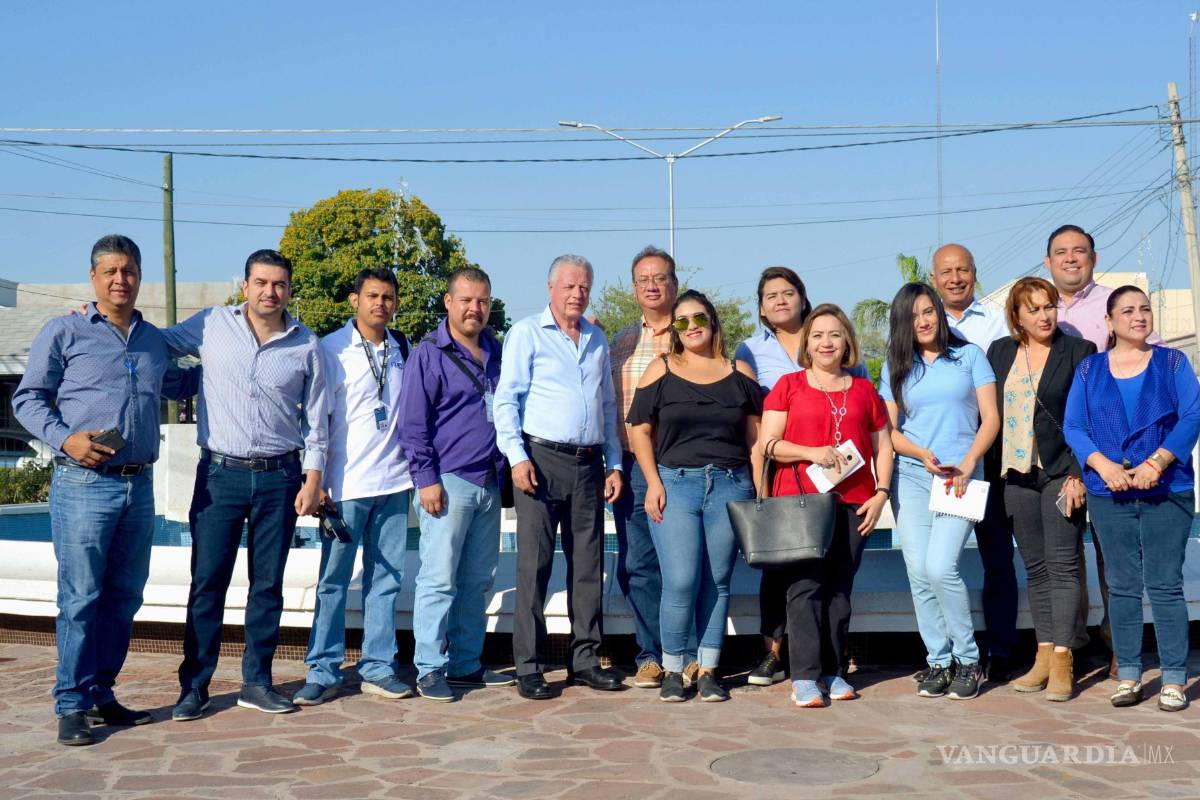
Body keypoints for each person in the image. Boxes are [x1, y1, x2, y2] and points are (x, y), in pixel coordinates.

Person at [13, 235, 198, 746]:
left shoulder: (153, 340)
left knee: (123, 597)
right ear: (94, 277)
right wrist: (64, 439)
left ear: (140, 278)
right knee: (81, 597)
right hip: (83, 484)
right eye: (111, 271)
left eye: (130, 271)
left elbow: (182, 386)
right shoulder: (65, 331)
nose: (121, 279)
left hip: (138, 486)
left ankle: (100, 692)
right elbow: (28, 400)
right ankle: (70, 702)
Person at [166, 249, 328, 721]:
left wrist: (313, 479)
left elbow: (318, 422)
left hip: (280, 476)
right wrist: (104, 321)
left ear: (289, 290)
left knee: (268, 586)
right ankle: (193, 687)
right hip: (220, 475)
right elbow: (153, 345)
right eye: (261, 282)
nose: (269, 292)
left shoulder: (306, 344)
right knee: (207, 583)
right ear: (245, 286)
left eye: (279, 284)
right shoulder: (210, 325)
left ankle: (257, 682)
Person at [494, 254, 625, 700]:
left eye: (585, 286)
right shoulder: (526, 333)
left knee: (588, 566)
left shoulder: (596, 338)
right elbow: (506, 400)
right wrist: (516, 457)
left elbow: (607, 406)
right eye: (569, 285)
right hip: (538, 460)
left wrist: (615, 463)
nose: (577, 293)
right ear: (550, 288)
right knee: (533, 566)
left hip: (588, 463)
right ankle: (528, 666)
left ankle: (585, 660)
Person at [1064, 285, 1199, 713]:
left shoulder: (1173, 362)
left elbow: (1192, 415)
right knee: (1121, 588)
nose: (1138, 316)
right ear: (1109, 322)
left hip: (1167, 488)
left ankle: (1174, 677)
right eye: (1127, 310)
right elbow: (1075, 426)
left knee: (1165, 585)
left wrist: (1157, 462)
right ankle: (1129, 675)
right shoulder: (1089, 370)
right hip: (1110, 492)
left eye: (1144, 309)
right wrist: (1102, 466)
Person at [735, 266, 867, 687]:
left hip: (845, 486)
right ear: (760, 307)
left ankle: (832, 664)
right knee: (788, 577)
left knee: (833, 585)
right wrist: (763, 480)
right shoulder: (753, 353)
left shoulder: (848, 363)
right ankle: (780, 658)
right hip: (788, 483)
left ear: (802, 298)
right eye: (770, 295)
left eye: (788, 292)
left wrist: (880, 488)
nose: (780, 300)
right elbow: (758, 427)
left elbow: (870, 428)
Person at [628, 290, 763, 702]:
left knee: (718, 583)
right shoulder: (660, 369)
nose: (691, 327)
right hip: (676, 484)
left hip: (730, 485)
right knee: (681, 580)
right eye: (682, 321)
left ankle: (708, 670)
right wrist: (653, 481)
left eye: (698, 318)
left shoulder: (739, 370)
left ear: (713, 321)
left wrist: (761, 491)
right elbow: (639, 430)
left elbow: (755, 438)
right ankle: (673, 669)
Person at [1042, 223, 1162, 677]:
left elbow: (1153, 363)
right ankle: (1067, 649)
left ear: (1094, 257)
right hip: (1062, 452)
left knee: (1115, 557)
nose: (1071, 258)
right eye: (1061, 252)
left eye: (1080, 251)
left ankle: (1119, 644)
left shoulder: (1116, 304)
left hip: (1118, 455)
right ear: (1048, 261)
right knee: (1064, 556)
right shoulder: (1040, 305)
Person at [758, 304, 893, 707]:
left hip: (854, 504)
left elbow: (882, 446)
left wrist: (881, 492)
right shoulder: (789, 385)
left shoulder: (865, 391)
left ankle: (834, 672)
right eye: (817, 335)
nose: (826, 342)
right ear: (807, 343)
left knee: (839, 591)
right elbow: (767, 444)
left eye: (834, 334)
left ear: (847, 341)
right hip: (800, 504)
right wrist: (811, 452)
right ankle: (804, 677)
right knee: (804, 589)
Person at [291, 269, 414, 707]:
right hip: (344, 488)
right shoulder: (331, 349)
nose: (380, 303)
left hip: (395, 484)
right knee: (333, 582)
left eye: (388, 297)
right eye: (372, 296)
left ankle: (378, 667)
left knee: (387, 579)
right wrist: (316, 480)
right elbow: (315, 420)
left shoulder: (402, 348)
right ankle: (322, 670)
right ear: (354, 300)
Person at [399, 266, 515, 702]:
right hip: (447, 482)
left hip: (488, 481)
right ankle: (429, 667)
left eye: (482, 300)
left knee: (477, 580)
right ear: (449, 302)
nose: (475, 308)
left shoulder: (496, 350)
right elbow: (412, 425)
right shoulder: (428, 354)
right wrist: (426, 480)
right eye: (466, 299)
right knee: (438, 578)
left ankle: (466, 663)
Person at [881, 283, 998, 700]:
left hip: (962, 477)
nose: (924, 321)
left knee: (941, 567)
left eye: (929, 311)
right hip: (913, 475)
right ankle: (939, 660)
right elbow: (890, 433)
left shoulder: (970, 356)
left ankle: (969, 658)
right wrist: (920, 453)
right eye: (913, 315)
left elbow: (990, 419)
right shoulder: (896, 366)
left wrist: (968, 463)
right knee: (918, 573)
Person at [985, 277, 1095, 701]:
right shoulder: (999, 352)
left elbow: (1088, 418)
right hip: (1014, 475)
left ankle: (1065, 660)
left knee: (1064, 566)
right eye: (1033, 309)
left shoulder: (1079, 352)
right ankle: (1044, 656)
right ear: (1017, 316)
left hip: (1060, 472)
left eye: (1049, 306)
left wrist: (1078, 475)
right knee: (1036, 569)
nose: (1044, 315)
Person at [929, 243, 1016, 681]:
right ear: (934, 279)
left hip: (991, 451)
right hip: (942, 461)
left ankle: (1000, 649)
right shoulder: (922, 322)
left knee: (996, 555)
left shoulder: (1000, 321)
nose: (955, 278)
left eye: (963, 269)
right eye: (946, 271)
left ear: (975, 272)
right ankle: (945, 656)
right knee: (938, 561)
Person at [609, 245, 692, 690]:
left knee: (683, 561)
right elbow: (607, 408)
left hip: (681, 462)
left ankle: (689, 653)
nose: (652, 286)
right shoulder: (620, 342)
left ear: (674, 284)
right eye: (644, 280)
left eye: (660, 278)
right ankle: (651, 655)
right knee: (638, 562)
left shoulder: (692, 333)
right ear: (635, 288)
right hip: (630, 465)